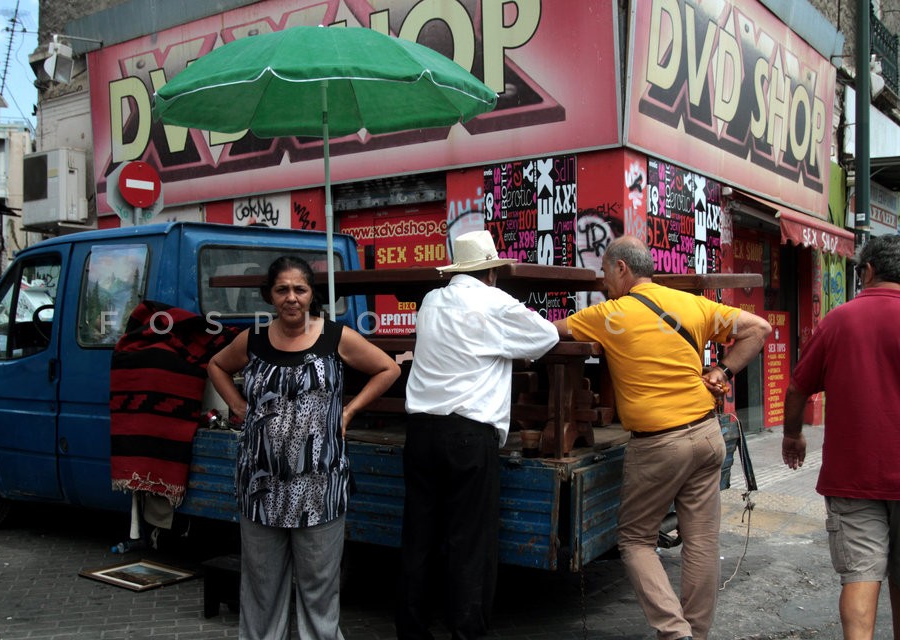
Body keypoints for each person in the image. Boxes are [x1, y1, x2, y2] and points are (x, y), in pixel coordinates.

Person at [552, 235, 770, 640]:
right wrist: (722, 370)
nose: (602, 283)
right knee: (702, 541)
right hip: (708, 436)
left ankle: (675, 633)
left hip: (658, 446)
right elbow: (759, 328)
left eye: (604, 273)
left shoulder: (610, 314)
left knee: (634, 540)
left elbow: (551, 331)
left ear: (621, 269)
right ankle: (696, 634)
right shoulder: (692, 304)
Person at [207, 255, 401, 640]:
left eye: (300, 289)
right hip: (261, 487)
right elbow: (216, 365)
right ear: (269, 295)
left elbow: (388, 369)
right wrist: (239, 406)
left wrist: (348, 412)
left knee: (319, 589)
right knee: (262, 589)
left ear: (312, 294)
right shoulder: (254, 340)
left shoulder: (335, 337)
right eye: (282, 290)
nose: (291, 298)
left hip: (319, 487)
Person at [397, 230, 560, 640]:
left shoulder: (432, 301)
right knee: (469, 543)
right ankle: (466, 632)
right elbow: (547, 336)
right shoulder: (493, 301)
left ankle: (412, 630)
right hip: (468, 435)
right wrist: (506, 346)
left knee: (419, 538)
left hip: (420, 432)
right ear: (492, 272)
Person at [782, 234, 900, 640]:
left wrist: (793, 436)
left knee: (861, 579)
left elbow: (798, 388)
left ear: (867, 271)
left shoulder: (839, 320)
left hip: (854, 478)